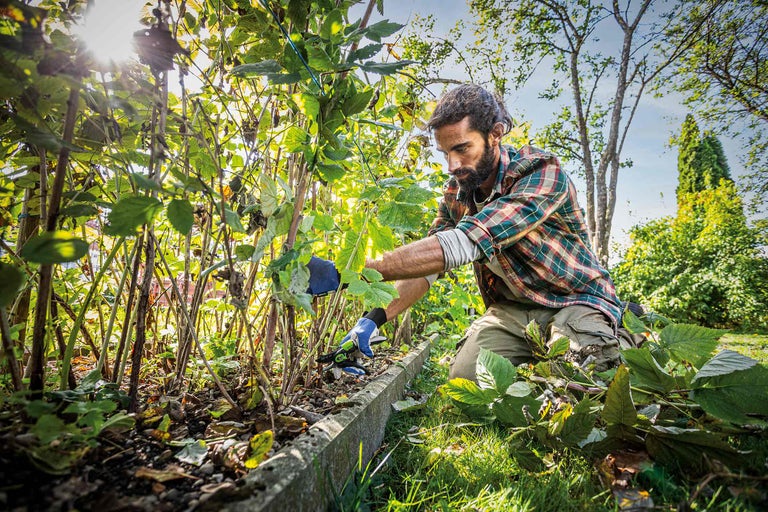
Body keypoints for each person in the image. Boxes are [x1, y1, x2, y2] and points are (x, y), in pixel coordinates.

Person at [309, 83, 639, 380]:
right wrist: (371, 321)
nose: (452, 166)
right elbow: (430, 269)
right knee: (467, 379)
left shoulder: (540, 173)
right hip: (513, 309)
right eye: (445, 153)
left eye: (462, 149)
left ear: (495, 134)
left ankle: (618, 332)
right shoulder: (458, 193)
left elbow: (465, 242)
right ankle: (541, 357)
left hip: (574, 299)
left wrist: (346, 273)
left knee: (579, 376)